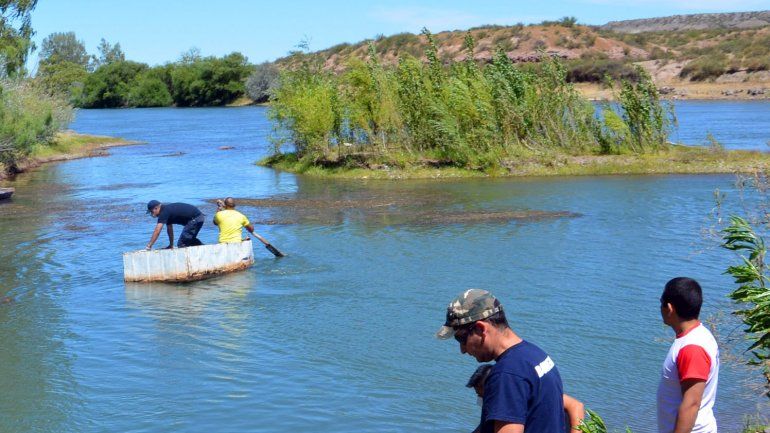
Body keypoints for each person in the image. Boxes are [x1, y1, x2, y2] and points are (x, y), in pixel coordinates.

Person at [437, 289, 566, 433]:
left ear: (481, 328)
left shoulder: (506, 374)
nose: (462, 350)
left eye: (461, 339)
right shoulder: (535, 355)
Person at [657, 277, 719, 433]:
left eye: (661, 302)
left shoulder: (692, 347)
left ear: (669, 308)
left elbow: (691, 404)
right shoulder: (697, 336)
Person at [466, 365, 585, 433]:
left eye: (482, 396)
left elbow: (576, 405)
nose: (481, 400)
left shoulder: (527, 394)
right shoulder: (501, 403)